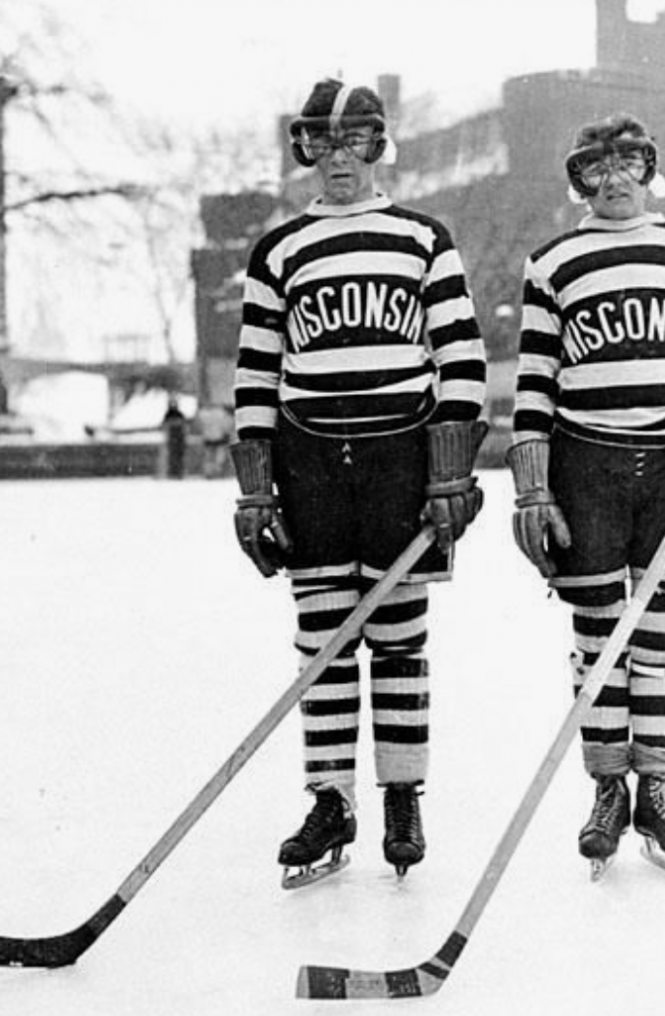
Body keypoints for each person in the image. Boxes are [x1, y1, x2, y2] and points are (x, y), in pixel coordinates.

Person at [231, 78, 487, 887]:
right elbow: (255, 378)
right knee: (323, 640)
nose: (337, 161)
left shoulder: (421, 238)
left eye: (353, 144)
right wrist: (256, 486)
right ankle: (331, 799)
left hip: (398, 464)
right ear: (304, 150)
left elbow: (463, 360)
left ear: (379, 147)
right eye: (321, 144)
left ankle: (402, 793)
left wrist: (449, 471)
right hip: (309, 463)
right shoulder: (278, 250)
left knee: (399, 637)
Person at [507, 113, 665, 879]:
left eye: (628, 165)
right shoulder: (553, 263)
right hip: (586, 462)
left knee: (664, 632)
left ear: (650, 169)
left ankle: (659, 787)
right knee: (597, 635)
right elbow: (535, 385)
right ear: (579, 181)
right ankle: (607, 788)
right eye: (596, 170)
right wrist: (534, 486)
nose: (614, 182)